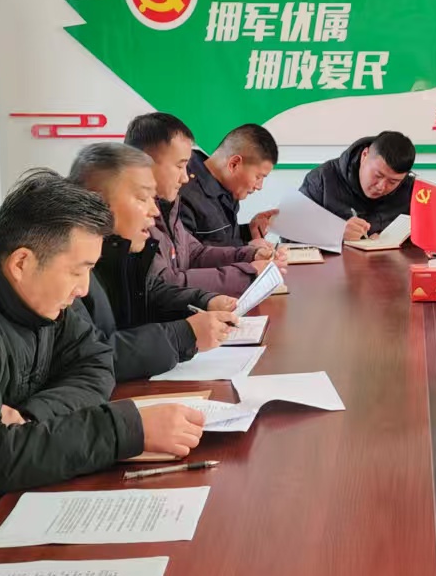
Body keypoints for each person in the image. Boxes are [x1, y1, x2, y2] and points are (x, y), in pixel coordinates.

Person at [0, 170, 204, 569]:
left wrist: (32, 418)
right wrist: (126, 430)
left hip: (14, 488)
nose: (84, 289)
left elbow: (95, 360)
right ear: (22, 262)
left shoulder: (33, 287)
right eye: (78, 271)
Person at [68, 143, 239, 380]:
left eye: (153, 198)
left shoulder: (123, 251)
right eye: (142, 198)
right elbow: (92, 356)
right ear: (97, 202)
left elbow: (150, 293)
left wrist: (205, 301)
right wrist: (182, 336)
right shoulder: (68, 270)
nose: (154, 211)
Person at [125, 112, 275, 295]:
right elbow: (164, 284)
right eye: (179, 166)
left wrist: (250, 254)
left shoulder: (169, 204)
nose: (185, 178)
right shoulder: (147, 210)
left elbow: (193, 253)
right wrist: (246, 273)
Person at [179, 123, 283, 250]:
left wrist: (248, 232)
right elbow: (188, 255)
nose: (259, 186)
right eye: (258, 177)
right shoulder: (183, 191)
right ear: (234, 164)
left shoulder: (227, 189)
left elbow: (220, 240)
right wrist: (245, 251)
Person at [298, 131, 416, 242]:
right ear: (364, 155)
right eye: (378, 175)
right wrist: (335, 233)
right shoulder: (321, 180)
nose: (381, 187)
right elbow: (292, 231)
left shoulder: (411, 190)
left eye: (393, 182)